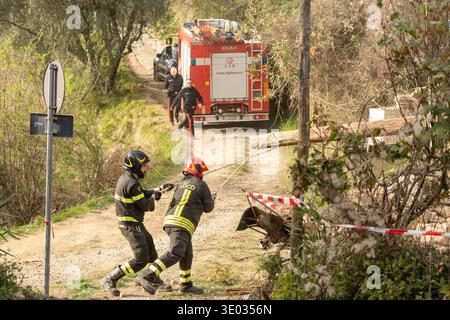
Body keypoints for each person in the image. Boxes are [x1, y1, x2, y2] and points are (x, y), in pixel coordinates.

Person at [135, 157, 215, 295]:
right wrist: (212, 198)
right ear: (198, 172)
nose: (202, 175)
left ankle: (186, 285)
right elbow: (208, 208)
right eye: (202, 172)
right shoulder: (202, 185)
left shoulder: (180, 184)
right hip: (182, 224)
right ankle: (147, 274)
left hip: (170, 221)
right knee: (175, 253)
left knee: (186, 253)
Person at [101, 150, 175, 296]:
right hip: (130, 226)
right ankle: (110, 279)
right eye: (144, 166)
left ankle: (152, 278)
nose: (146, 169)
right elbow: (145, 206)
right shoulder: (132, 183)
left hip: (134, 223)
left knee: (150, 249)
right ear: (134, 166)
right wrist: (154, 197)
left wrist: (158, 189)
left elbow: (140, 194)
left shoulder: (128, 178)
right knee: (141, 259)